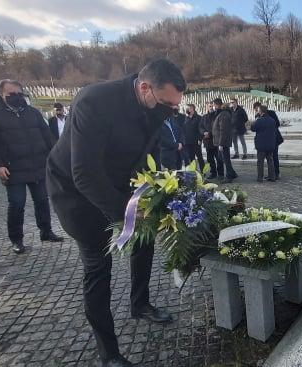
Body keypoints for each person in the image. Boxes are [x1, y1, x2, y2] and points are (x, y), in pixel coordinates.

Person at [47, 59, 185, 367]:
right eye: (167, 104)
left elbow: (148, 154)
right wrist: (126, 218)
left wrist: (156, 192)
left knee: (144, 241)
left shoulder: (154, 105)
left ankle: (140, 304)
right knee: (98, 267)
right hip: (76, 193)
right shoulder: (94, 101)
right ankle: (108, 353)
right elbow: (83, 172)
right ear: (145, 87)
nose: (171, 112)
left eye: (175, 106)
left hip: (123, 184)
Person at [0, 80, 64, 254]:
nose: (16, 97)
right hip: (12, 168)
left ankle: (46, 231)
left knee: (42, 200)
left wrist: (56, 156)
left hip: (38, 165)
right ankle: (16, 239)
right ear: (1, 95)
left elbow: (47, 136)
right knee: (17, 204)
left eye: (19, 94)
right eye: (11, 94)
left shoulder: (33, 113)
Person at [254, 102, 284, 180]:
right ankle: (271, 175)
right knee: (268, 158)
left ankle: (276, 173)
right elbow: (256, 128)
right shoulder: (257, 116)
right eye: (256, 110)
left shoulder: (271, 113)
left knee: (274, 157)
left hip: (274, 138)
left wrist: (267, 126)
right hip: (263, 140)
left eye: (257, 109)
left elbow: (277, 123)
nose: (257, 111)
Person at [211, 99, 237, 183]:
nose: (214, 107)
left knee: (225, 159)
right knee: (223, 158)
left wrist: (221, 144)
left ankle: (229, 176)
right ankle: (232, 173)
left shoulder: (224, 115)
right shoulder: (223, 114)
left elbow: (223, 130)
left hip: (223, 142)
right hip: (221, 141)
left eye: (214, 105)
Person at [200, 102, 221, 179]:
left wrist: (210, 133)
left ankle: (220, 173)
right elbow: (200, 127)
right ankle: (213, 173)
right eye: (210, 106)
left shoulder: (217, 116)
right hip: (208, 141)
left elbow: (219, 127)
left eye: (212, 106)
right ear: (207, 108)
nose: (211, 108)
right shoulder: (204, 117)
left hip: (216, 141)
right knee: (210, 159)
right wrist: (204, 132)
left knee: (219, 158)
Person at [182, 104, 205, 170]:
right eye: (187, 108)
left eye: (189, 108)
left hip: (196, 141)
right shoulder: (186, 118)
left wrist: (200, 139)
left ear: (193, 109)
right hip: (188, 142)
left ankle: (203, 172)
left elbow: (201, 129)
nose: (187, 110)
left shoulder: (199, 118)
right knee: (191, 158)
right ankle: (194, 172)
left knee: (200, 158)